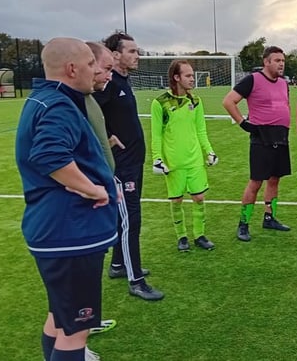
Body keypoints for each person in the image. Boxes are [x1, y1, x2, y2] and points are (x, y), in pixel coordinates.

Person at [15, 37, 118, 361]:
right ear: (72, 68)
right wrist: (95, 189)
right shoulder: (59, 105)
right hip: (69, 233)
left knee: (61, 318)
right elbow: (49, 155)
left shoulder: (46, 99)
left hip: (58, 231)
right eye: (90, 64)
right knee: (75, 330)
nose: (94, 70)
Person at [93, 32, 164, 301]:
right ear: (115, 54)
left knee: (129, 217)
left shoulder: (123, 80)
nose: (137, 55)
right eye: (132, 51)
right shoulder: (108, 83)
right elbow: (88, 114)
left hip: (134, 161)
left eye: (137, 51)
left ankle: (118, 265)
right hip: (121, 166)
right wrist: (106, 137)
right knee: (130, 219)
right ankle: (136, 281)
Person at [222, 46, 292, 241]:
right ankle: (243, 224)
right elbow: (228, 101)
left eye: (283, 61)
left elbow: (285, 105)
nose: (281, 64)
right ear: (266, 62)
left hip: (281, 137)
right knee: (256, 182)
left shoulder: (283, 83)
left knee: (275, 179)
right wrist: (243, 123)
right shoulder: (252, 80)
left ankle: (269, 217)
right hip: (262, 138)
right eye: (277, 60)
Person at [150, 60, 219, 252]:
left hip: (195, 160)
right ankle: (181, 236)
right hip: (174, 162)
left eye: (192, 75)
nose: (192, 79)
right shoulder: (160, 103)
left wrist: (209, 151)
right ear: (176, 77)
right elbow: (156, 134)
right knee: (177, 200)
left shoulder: (196, 101)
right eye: (188, 75)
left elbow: (201, 130)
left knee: (199, 198)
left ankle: (200, 235)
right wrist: (157, 158)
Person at [85, 42, 121, 339]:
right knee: (75, 281)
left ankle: (88, 318)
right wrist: (98, 190)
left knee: (91, 267)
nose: (110, 75)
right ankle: (78, 334)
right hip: (82, 207)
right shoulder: (66, 104)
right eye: (107, 68)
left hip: (99, 199)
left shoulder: (89, 99)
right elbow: (53, 159)